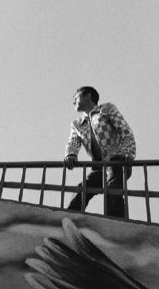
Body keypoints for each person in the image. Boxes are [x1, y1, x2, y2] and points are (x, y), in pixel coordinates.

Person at [63, 86, 136, 218]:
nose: (74, 102)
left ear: (88, 95)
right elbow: (73, 142)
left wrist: (128, 153)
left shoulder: (106, 109)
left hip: (116, 161)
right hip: (99, 167)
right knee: (82, 190)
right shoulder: (77, 124)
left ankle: (115, 221)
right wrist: (71, 155)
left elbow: (125, 131)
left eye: (76, 98)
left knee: (113, 189)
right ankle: (69, 218)